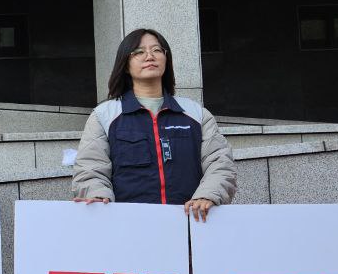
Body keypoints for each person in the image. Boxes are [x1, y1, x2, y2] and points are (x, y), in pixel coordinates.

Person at [71, 28, 236, 220]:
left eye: (157, 50)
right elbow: (90, 169)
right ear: (125, 64)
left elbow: (220, 163)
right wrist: (97, 194)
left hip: (190, 224)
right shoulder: (104, 115)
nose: (149, 56)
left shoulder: (196, 114)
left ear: (166, 59)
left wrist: (207, 195)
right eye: (139, 52)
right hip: (129, 226)